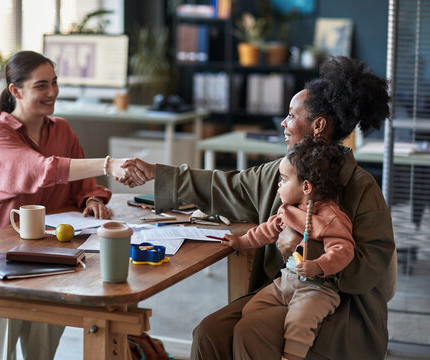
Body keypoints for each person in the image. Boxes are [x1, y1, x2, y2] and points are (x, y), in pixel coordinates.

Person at [120, 56, 395, 359]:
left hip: (342, 306)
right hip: (285, 290)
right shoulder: (280, 172)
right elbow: (223, 186)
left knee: (251, 331)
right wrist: (156, 174)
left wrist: (308, 253)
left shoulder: (361, 186)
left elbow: (372, 265)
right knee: (209, 334)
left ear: (317, 126)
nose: (283, 122)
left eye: (291, 115)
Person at [0, 50, 144, 359]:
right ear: (15, 91)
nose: (52, 93)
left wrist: (90, 198)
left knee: (43, 347)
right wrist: (108, 163)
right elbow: (37, 169)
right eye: (41, 86)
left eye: (55, 83)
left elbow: (83, 187)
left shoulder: (61, 129)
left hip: (49, 257)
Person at [221, 136, 354, 360]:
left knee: (299, 321)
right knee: (250, 310)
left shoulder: (331, 218)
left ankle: (292, 357)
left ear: (305, 186)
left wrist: (318, 266)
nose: (278, 185)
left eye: (283, 180)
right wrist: (240, 242)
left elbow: (343, 250)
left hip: (317, 288)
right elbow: (265, 230)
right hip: (286, 281)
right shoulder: (287, 210)